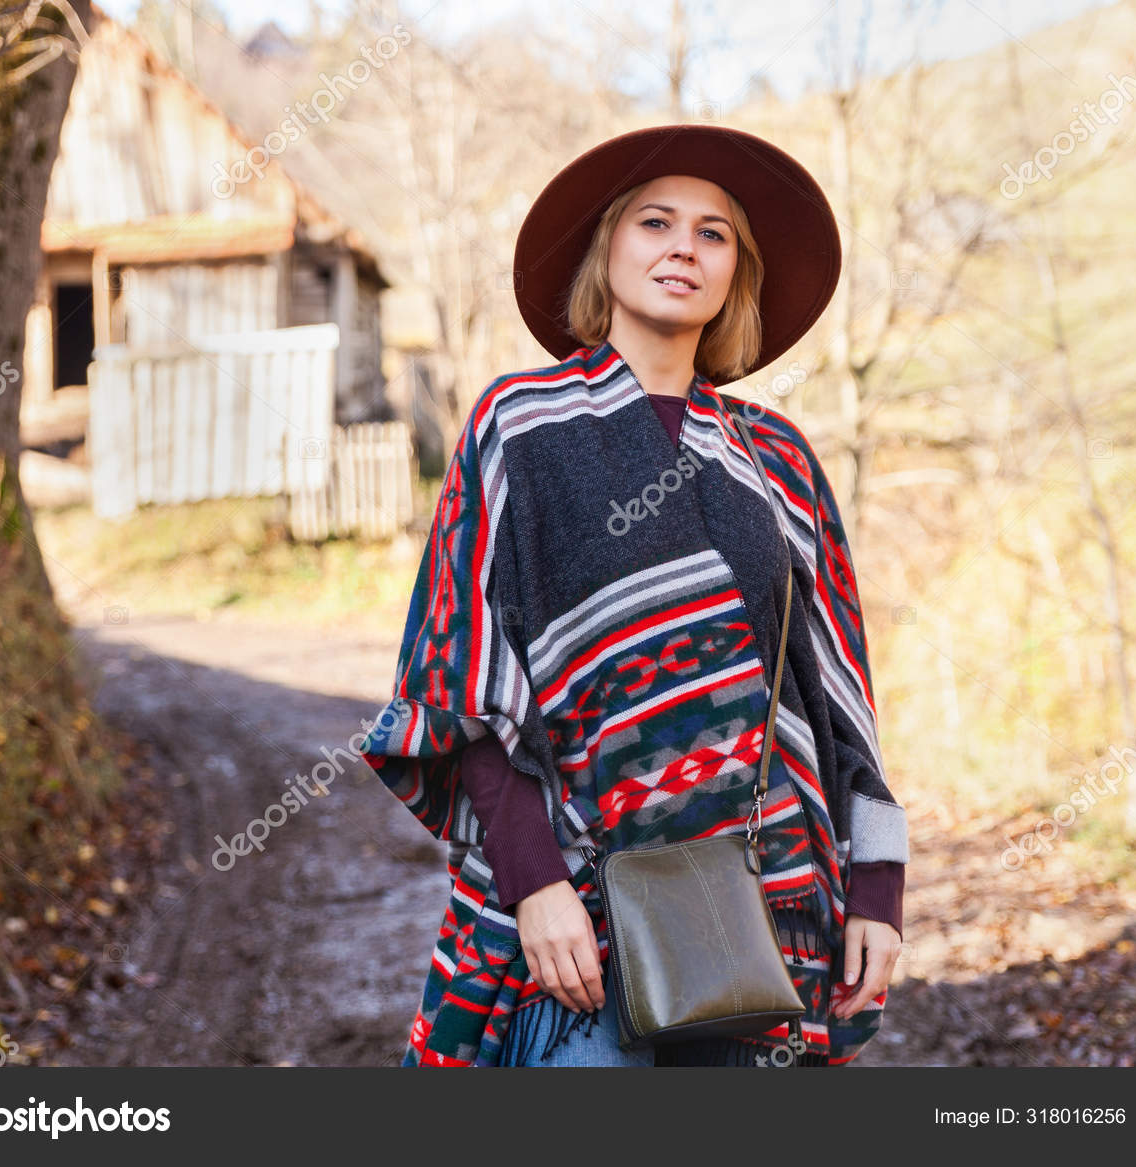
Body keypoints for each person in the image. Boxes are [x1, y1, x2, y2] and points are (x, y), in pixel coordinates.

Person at [357, 123, 908, 1068]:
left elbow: (838, 696)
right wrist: (535, 884)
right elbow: (462, 683)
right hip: (578, 916)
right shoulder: (519, 426)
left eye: (713, 233)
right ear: (606, 248)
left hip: (764, 909)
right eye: (656, 222)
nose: (683, 247)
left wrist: (878, 889)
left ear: (737, 273)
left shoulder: (777, 458)